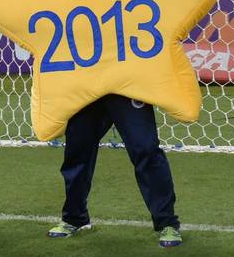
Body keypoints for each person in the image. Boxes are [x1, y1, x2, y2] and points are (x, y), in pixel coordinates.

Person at [47, 94, 182, 248]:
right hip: (86, 86)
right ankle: (74, 218)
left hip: (126, 86)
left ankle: (166, 222)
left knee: (146, 150)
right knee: (77, 149)